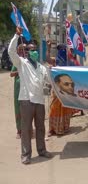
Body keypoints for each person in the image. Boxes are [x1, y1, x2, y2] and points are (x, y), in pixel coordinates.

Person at [8, 27, 52, 164]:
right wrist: (17, 35)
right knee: (26, 128)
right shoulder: (21, 63)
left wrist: (49, 85)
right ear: (26, 52)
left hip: (40, 101)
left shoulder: (42, 67)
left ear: (37, 51)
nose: (32, 51)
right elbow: (11, 51)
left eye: (34, 49)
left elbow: (48, 81)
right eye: (29, 49)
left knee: (40, 128)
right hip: (26, 100)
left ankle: (42, 150)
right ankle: (26, 155)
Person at [10, 43, 27, 139]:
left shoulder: (28, 61)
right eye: (20, 50)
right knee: (18, 109)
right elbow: (11, 74)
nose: (22, 52)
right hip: (18, 89)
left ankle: (27, 129)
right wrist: (20, 71)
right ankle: (19, 131)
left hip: (27, 89)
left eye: (24, 50)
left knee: (28, 110)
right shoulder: (17, 61)